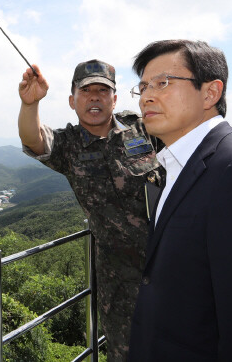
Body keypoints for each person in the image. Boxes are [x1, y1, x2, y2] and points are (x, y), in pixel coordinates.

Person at [128, 39, 232, 361]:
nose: (147, 96)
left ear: (210, 93)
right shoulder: (176, 164)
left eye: (163, 83)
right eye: (142, 86)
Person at [19, 60, 162, 361]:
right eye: (86, 91)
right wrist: (30, 104)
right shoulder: (68, 145)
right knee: (127, 352)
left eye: (103, 90)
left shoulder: (141, 128)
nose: (95, 97)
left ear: (115, 99)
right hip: (120, 281)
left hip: (173, 260)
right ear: (72, 100)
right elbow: (33, 139)